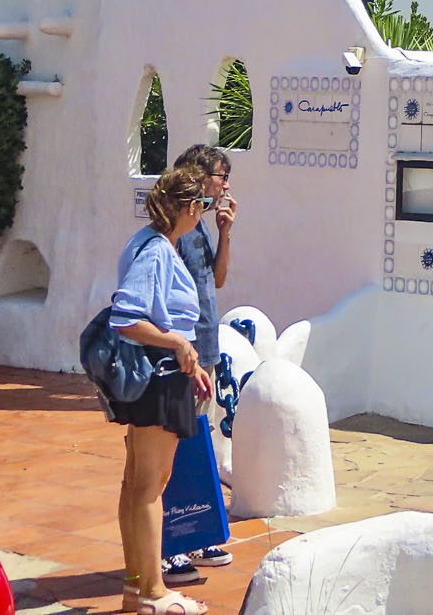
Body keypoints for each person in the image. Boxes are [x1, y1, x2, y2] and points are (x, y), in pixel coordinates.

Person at [107, 162, 215, 615]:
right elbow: (126, 317)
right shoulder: (156, 251)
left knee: (137, 483)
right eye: (203, 203)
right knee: (151, 486)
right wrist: (178, 345)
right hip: (159, 378)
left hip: (158, 375)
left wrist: (188, 357)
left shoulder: (147, 243)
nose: (204, 211)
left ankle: (136, 585)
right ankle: (153, 591)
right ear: (189, 208)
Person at [160, 145, 238, 586]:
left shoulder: (202, 225)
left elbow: (217, 280)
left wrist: (225, 233)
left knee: (196, 443)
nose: (225, 185)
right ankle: (171, 544)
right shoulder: (175, 230)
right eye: (220, 176)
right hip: (185, 353)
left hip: (204, 349)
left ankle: (197, 534)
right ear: (198, 176)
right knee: (174, 448)